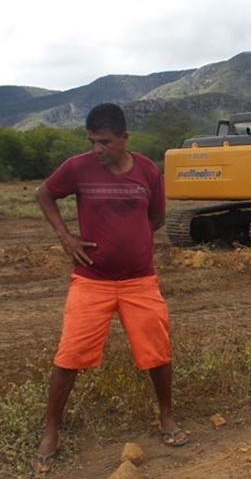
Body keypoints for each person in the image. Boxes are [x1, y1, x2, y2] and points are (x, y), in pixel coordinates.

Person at [30, 103, 185, 475]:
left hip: (139, 280)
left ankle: (166, 417)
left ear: (123, 138)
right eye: (92, 142)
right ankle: (51, 431)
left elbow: (157, 217)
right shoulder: (77, 167)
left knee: (157, 352)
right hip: (91, 281)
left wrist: (132, 242)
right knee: (69, 355)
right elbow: (43, 194)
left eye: (105, 142)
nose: (97, 148)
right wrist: (66, 236)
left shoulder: (148, 171)